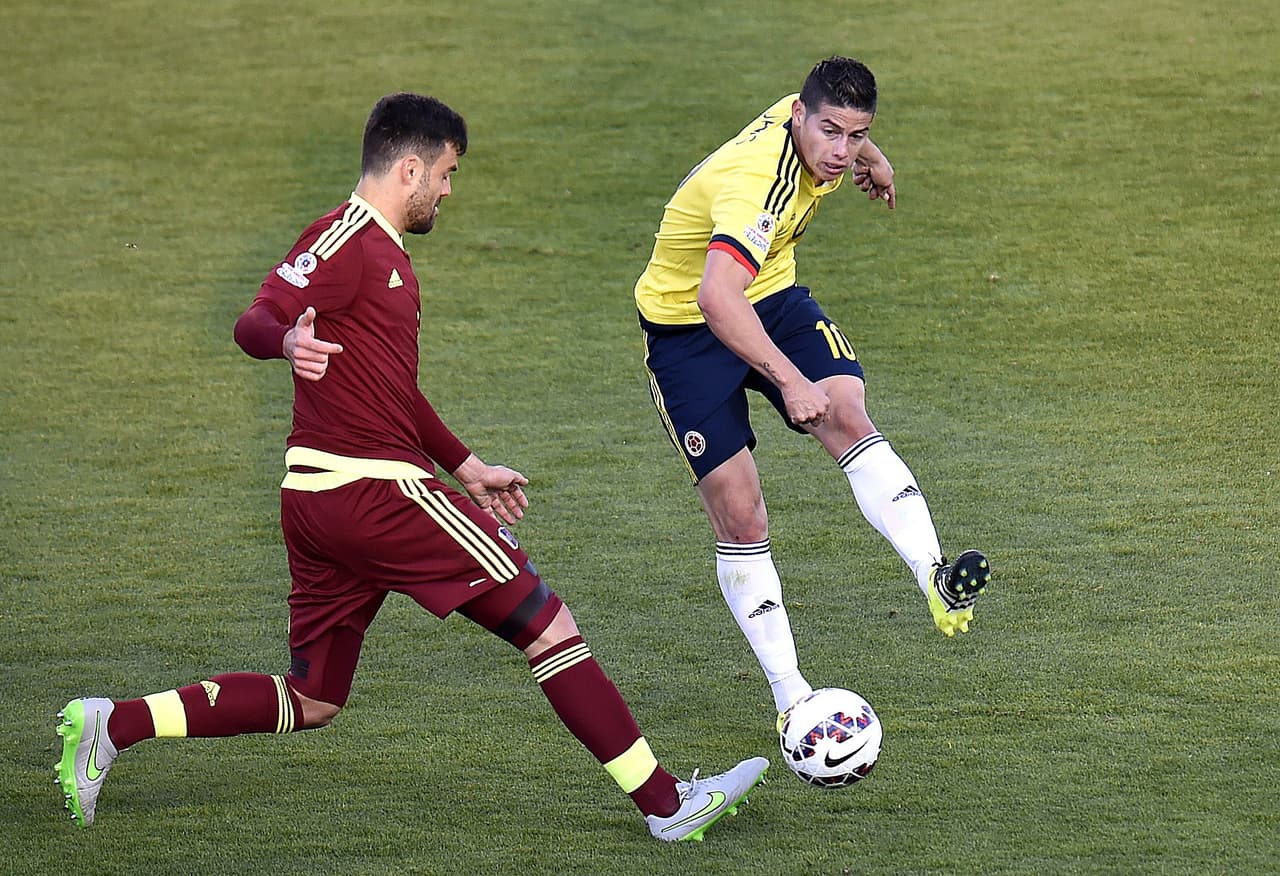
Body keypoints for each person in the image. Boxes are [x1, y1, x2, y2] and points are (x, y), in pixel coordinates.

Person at [55, 92, 767, 842]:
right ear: (409, 167)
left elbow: (394, 391)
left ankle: (113, 725)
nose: (449, 192)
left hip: (320, 500)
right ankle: (666, 805)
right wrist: (284, 344)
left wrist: (467, 465)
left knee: (315, 697)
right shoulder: (348, 240)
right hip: (375, 492)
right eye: (448, 174)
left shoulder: (385, 256)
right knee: (547, 626)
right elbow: (256, 316)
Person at [632, 57, 992, 728]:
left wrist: (873, 158)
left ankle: (935, 579)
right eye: (831, 133)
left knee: (848, 415)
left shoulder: (812, 123)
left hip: (771, 298)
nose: (841, 152)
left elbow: (838, 128)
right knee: (741, 515)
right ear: (799, 115)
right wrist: (790, 381)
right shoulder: (754, 186)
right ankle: (791, 697)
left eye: (857, 136)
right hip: (688, 332)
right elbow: (716, 298)